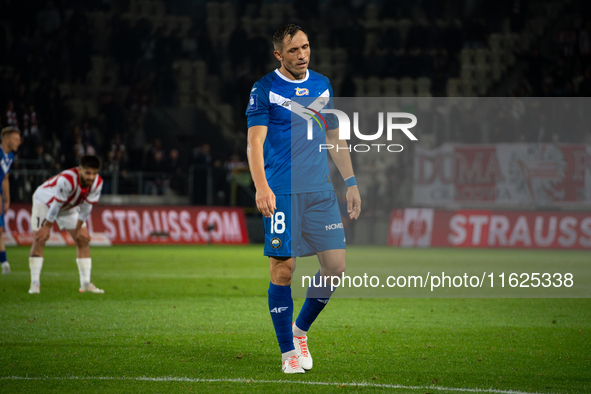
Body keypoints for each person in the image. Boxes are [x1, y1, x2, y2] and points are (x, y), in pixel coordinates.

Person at [246, 24, 361, 374]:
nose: (302, 54)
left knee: (336, 267)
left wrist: (351, 183)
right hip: (282, 191)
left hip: (320, 190)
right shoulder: (264, 89)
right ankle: (287, 353)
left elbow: (335, 138)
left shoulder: (322, 84)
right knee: (284, 269)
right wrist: (262, 186)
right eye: (294, 50)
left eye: (306, 47)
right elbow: (254, 143)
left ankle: (299, 331)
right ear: (279, 54)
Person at [28, 154, 104, 294]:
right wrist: (47, 227)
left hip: (68, 207)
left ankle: (86, 284)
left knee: (83, 239)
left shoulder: (97, 183)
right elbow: (56, 205)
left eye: (94, 173)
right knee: (40, 237)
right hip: (45, 202)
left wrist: (80, 227)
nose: (91, 177)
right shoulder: (67, 179)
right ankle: (35, 284)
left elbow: (87, 207)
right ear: (79, 169)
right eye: (87, 172)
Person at [0, 127, 21, 274]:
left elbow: (5, 177)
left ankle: (4, 263)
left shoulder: (10, 155)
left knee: (0, 230)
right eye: (15, 139)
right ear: (6, 140)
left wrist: (7, 199)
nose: (19, 142)